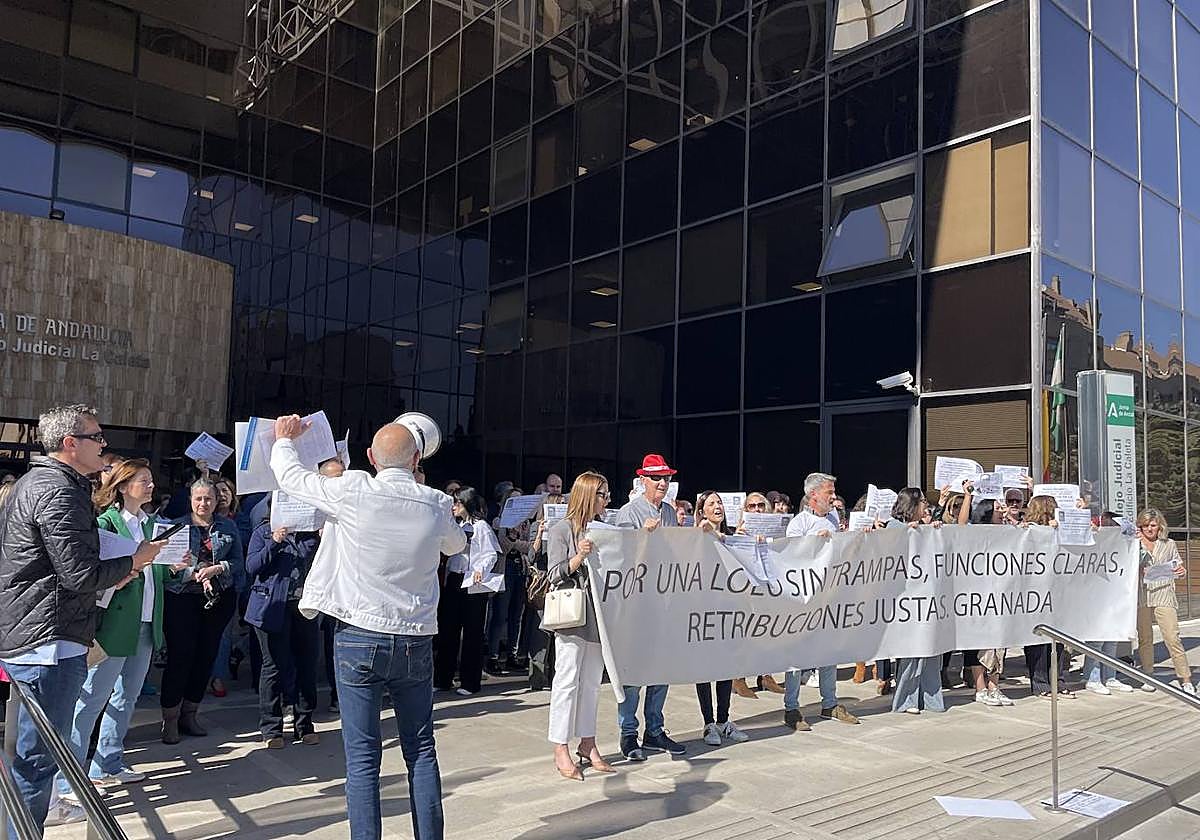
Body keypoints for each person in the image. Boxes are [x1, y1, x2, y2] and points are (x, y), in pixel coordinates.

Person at [270, 414, 465, 840]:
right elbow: (457, 544)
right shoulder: (433, 502)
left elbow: (292, 479)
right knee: (421, 751)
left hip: (359, 635)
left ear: (371, 457)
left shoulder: (356, 489)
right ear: (417, 459)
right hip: (414, 638)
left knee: (362, 760)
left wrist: (284, 440)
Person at [0, 405, 161, 829]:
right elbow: (79, 573)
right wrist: (134, 560)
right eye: (97, 438)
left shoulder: (35, 483)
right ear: (70, 444)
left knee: (27, 755)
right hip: (49, 638)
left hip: (36, 632)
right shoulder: (60, 490)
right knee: (37, 759)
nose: (103, 446)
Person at [56, 459, 184, 808]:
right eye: (144, 480)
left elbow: (154, 575)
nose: (151, 485)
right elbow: (97, 573)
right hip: (113, 624)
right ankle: (68, 778)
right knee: (90, 700)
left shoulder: (152, 524)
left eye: (151, 480)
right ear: (124, 486)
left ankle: (107, 763)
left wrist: (173, 568)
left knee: (126, 696)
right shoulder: (107, 523)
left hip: (145, 622)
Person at [160, 477, 244, 743]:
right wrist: (192, 571)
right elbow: (166, 568)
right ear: (190, 500)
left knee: (206, 656)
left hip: (218, 598)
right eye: (198, 498)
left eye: (208, 498)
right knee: (180, 657)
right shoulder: (176, 528)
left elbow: (238, 562)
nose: (203, 503)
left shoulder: (227, 526)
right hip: (182, 598)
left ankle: (190, 714)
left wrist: (219, 568)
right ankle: (170, 719)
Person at [546, 472, 617, 780]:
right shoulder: (562, 529)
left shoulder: (605, 529)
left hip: (600, 614)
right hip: (573, 613)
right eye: (603, 494)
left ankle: (588, 741)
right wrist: (580, 557)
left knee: (591, 681)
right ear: (589, 495)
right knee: (567, 679)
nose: (607, 500)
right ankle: (560, 745)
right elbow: (554, 573)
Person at [614, 454, 685, 760]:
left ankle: (654, 730)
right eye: (656, 478)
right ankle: (628, 733)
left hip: (664, 599)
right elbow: (621, 557)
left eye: (666, 478)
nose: (662, 483)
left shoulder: (669, 512)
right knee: (634, 670)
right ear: (642, 480)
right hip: (637, 601)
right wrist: (643, 536)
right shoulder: (629, 513)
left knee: (661, 667)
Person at [782, 473, 860, 731]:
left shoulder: (834, 518)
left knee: (829, 651)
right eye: (829, 492)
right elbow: (793, 558)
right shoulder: (799, 523)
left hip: (829, 596)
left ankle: (830, 703)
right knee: (796, 655)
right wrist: (817, 542)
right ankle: (791, 708)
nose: (834, 496)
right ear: (814, 495)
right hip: (804, 600)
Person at [245, 504, 322, 747]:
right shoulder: (263, 532)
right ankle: (271, 728)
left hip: (303, 608)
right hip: (271, 608)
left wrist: (324, 537)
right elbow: (252, 567)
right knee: (274, 666)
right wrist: (275, 542)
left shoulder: (311, 534)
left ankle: (304, 723)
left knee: (306, 665)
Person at [693, 490, 750, 747]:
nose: (718, 507)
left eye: (720, 502)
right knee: (705, 667)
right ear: (702, 510)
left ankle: (724, 720)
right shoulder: (698, 536)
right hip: (704, 609)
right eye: (711, 503)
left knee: (725, 666)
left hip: (728, 608)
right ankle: (708, 723)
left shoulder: (733, 537)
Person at [435, 487, 500, 696]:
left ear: (466, 504)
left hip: (472, 580)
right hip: (454, 578)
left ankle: (470, 681)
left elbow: (491, 554)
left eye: (458, 503)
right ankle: (443, 678)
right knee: (448, 630)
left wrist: (480, 569)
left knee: (472, 631)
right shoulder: (454, 526)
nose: (454, 507)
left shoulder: (481, 527)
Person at [887, 488, 946, 715]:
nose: (926, 506)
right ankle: (906, 700)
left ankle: (932, 699)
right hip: (907, 600)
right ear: (911, 504)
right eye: (922, 501)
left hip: (928, 598)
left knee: (932, 649)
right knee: (912, 650)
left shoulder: (926, 527)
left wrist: (935, 531)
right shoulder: (893, 526)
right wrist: (905, 533)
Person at [1021, 495, 1074, 698]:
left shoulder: (1061, 530)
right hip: (1034, 592)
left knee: (1058, 641)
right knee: (1038, 641)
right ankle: (1040, 682)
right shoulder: (1028, 530)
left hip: (1057, 592)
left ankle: (1058, 680)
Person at [1136, 508, 1192, 693]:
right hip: (1142, 595)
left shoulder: (1169, 544)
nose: (1149, 529)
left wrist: (1181, 572)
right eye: (1145, 526)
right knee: (1145, 638)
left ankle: (1185, 679)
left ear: (1159, 525)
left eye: (1153, 525)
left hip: (1164, 595)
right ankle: (1148, 675)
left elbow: (1178, 566)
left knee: (1172, 637)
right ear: (1140, 526)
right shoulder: (1135, 543)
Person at [487, 487, 531, 675]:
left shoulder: (526, 523)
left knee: (516, 615)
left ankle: (513, 654)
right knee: (500, 614)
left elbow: (529, 546)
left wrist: (516, 542)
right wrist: (513, 538)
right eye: (513, 500)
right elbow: (503, 547)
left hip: (520, 568)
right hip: (505, 569)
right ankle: (493, 656)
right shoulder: (499, 522)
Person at [315, 457, 345, 713]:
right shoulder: (311, 508)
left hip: (343, 590)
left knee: (337, 645)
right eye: (336, 477)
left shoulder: (352, 506)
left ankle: (339, 695)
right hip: (312, 589)